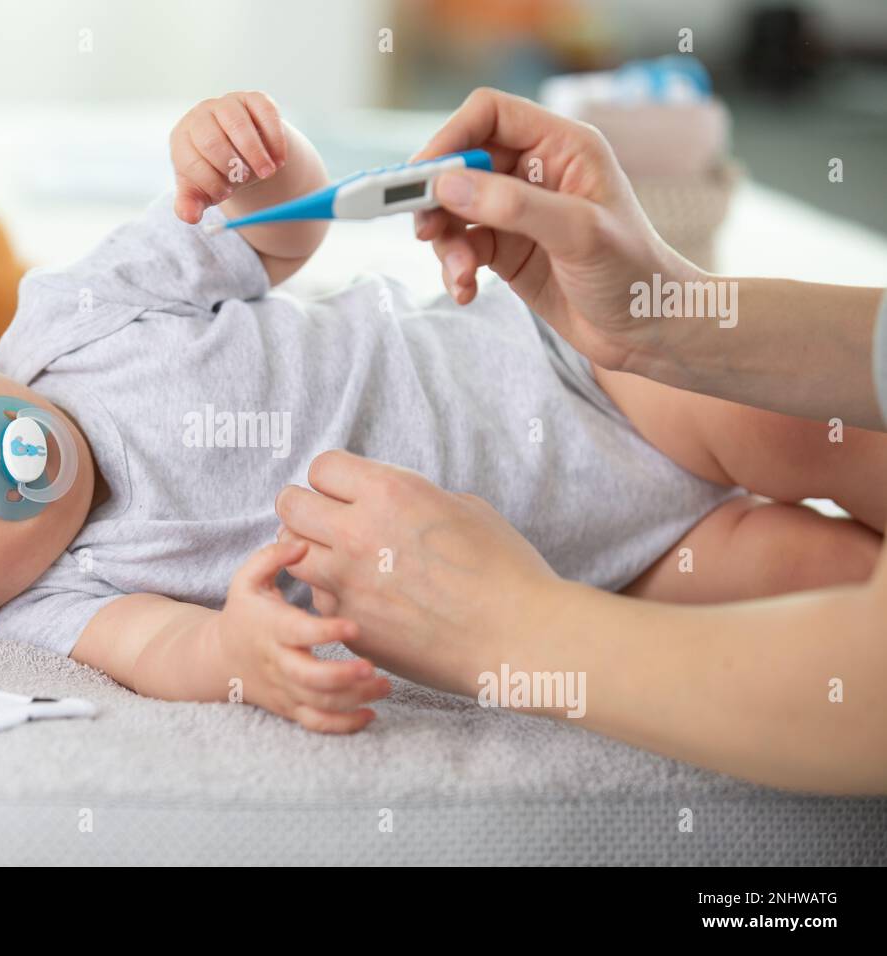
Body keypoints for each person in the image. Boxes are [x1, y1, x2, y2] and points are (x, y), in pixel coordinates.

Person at [275, 88, 887, 794]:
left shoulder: (117, 315)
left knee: (789, 431)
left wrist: (506, 625)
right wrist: (666, 318)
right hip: (608, 557)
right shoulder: (111, 575)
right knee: (802, 575)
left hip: (574, 381)